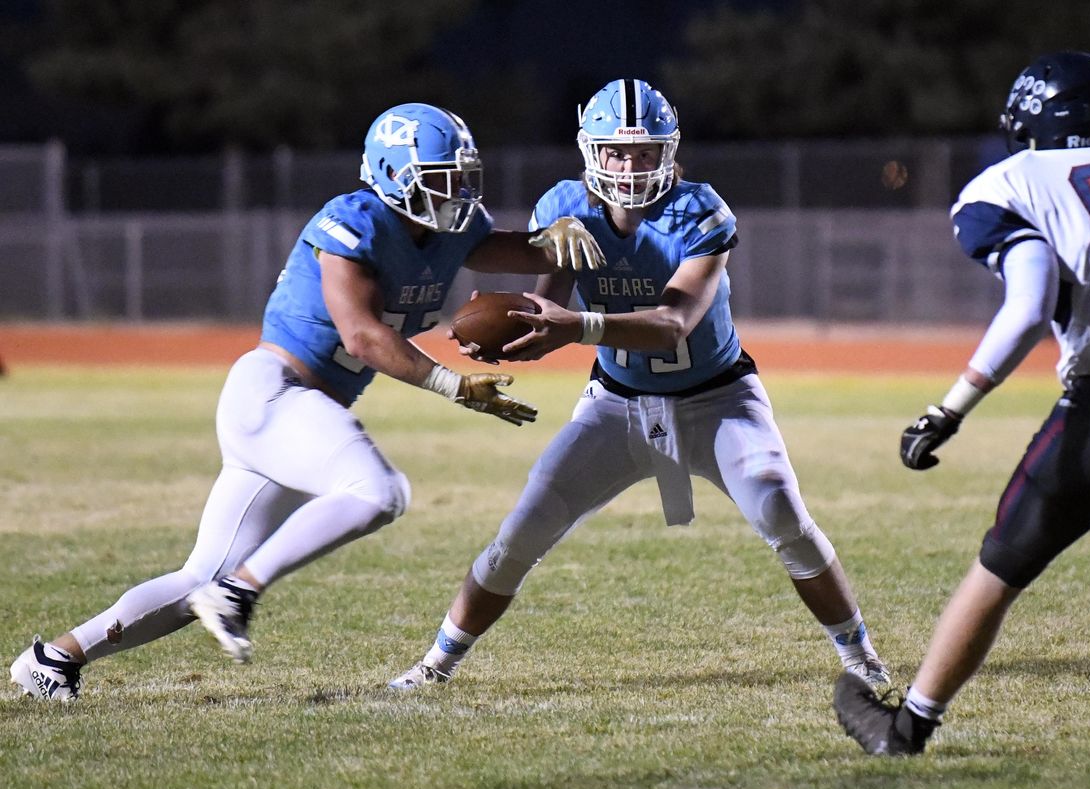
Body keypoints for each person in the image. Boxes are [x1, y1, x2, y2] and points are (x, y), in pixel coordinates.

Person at [9, 102, 605, 701]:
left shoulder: (454, 231)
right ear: (396, 176)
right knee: (379, 493)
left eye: (461, 175)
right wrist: (453, 386)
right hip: (275, 393)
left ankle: (53, 659)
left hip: (300, 416)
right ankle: (240, 592)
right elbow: (362, 335)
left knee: (200, 579)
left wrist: (560, 233)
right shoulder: (353, 221)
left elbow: (532, 251)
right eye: (441, 176)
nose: (457, 190)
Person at [388, 79, 890, 692]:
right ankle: (437, 664)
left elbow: (673, 321)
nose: (631, 167)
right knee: (524, 527)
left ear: (669, 152)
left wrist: (578, 327)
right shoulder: (567, 206)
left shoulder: (701, 211)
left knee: (780, 507)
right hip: (616, 403)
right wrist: (512, 325)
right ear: (590, 150)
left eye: (646, 152)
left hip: (718, 397)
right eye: (618, 153)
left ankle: (861, 657)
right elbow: (552, 307)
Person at [833, 51, 1090, 756]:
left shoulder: (1008, 182)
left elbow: (1028, 304)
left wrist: (950, 408)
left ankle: (906, 728)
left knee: (999, 570)